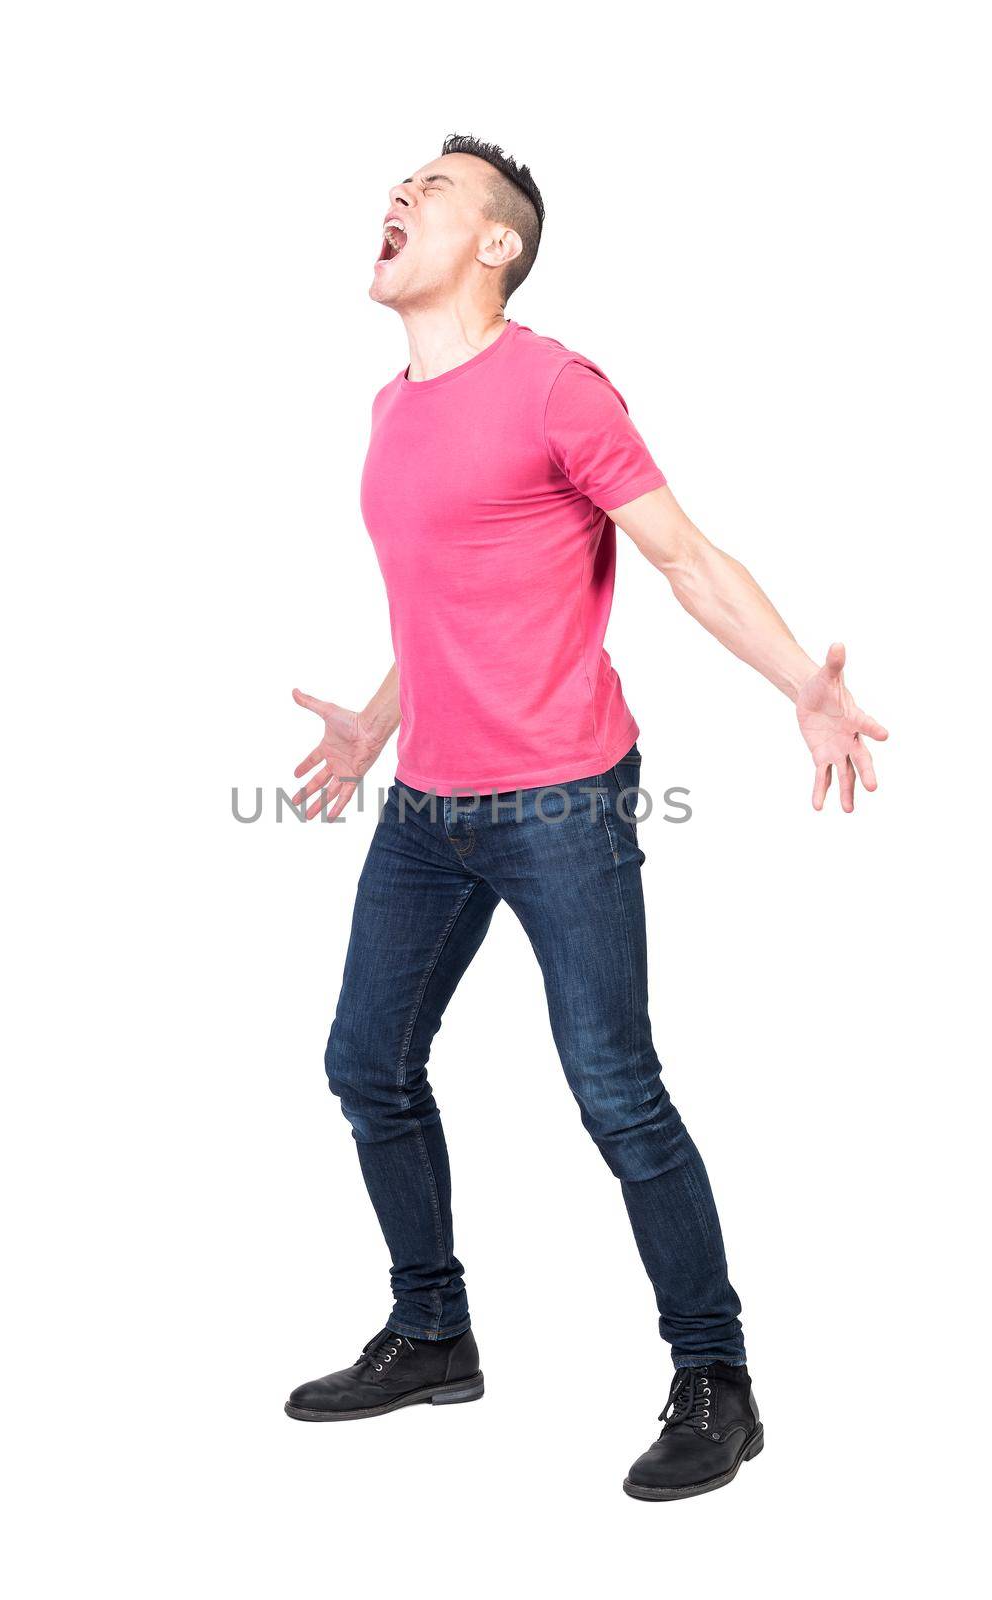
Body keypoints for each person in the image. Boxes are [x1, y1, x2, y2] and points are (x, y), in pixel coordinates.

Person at [283, 134, 887, 1500]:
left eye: (432, 187)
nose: (400, 194)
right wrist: (379, 721)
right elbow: (447, 601)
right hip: (429, 802)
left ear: (497, 244)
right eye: (399, 181)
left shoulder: (557, 386)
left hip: (560, 793)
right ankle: (433, 1332)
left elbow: (684, 556)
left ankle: (716, 1378)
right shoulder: (391, 408)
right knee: (365, 1064)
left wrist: (805, 684)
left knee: (615, 1089)